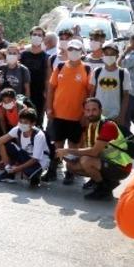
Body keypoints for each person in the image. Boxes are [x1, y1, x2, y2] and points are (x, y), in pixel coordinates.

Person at [62, 97, 134, 200]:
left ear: (101, 110)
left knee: (86, 160)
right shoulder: (92, 125)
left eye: (94, 110)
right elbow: (88, 148)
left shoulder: (107, 125)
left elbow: (94, 152)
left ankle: (103, 189)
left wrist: (68, 150)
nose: (91, 113)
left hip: (121, 167)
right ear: (84, 112)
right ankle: (107, 181)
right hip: (106, 161)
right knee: (71, 165)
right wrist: (71, 156)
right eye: (88, 110)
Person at [46, 40, 92, 184]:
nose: (73, 52)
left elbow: (90, 93)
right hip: (58, 114)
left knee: (73, 147)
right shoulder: (59, 67)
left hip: (77, 116)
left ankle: (70, 172)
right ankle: (52, 171)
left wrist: (86, 115)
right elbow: (51, 89)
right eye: (71, 49)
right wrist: (49, 108)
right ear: (67, 50)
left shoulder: (87, 69)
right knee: (57, 145)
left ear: (81, 52)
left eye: (77, 50)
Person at [0, 107, 49, 188]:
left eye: (25, 122)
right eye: (20, 121)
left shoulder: (38, 135)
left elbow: (35, 159)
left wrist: (18, 169)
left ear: (33, 124)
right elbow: (0, 140)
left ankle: (34, 175)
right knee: (3, 143)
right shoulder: (18, 129)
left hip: (39, 161)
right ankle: (9, 171)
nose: (22, 124)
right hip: (25, 154)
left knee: (30, 178)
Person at [91, 41, 129, 131]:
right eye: (106, 53)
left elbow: (126, 96)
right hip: (98, 115)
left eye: (112, 54)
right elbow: (92, 93)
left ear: (117, 56)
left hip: (115, 115)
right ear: (103, 55)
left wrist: (121, 116)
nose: (109, 56)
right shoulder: (97, 71)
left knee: (112, 142)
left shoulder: (123, 73)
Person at [20, 26, 49, 125]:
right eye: (34, 34)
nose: (36, 37)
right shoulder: (23, 55)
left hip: (39, 93)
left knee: (37, 120)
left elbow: (47, 77)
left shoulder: (46, 57)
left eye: (39, 35)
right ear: (30, 36)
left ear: (43, 38)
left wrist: (47, 93)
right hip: (23, 92)